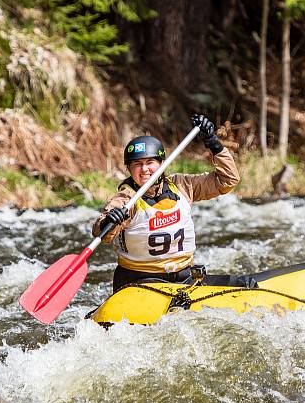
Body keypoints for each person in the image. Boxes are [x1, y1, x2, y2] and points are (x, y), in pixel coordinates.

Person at [93, 114, 253, 292]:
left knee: (243, 285)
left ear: (162, 164)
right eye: (137, 164)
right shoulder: (126, 200)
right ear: (129, 169)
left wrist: (213, 143)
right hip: (140, 281)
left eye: (150, 162)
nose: (144, 169)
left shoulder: (182, 186)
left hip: (183, 277)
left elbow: (228, 180)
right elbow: (102, 233)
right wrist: (109, 222)